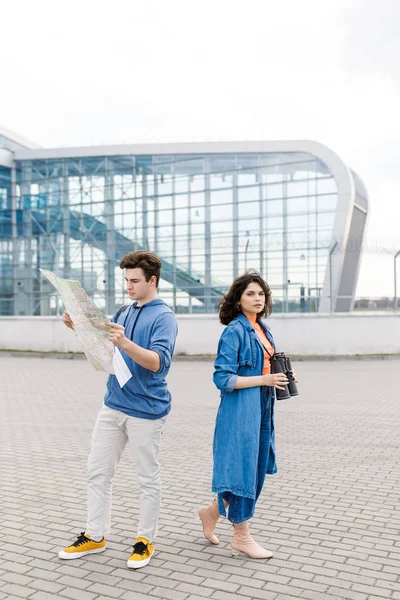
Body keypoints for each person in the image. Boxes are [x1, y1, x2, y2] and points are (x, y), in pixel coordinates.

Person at [58, 250, 178, 569]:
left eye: (135, 280)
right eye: (125, 280)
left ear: (153, 280)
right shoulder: (124, 311)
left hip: (146, 410)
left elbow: (158, 363)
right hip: (113, 405)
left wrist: (125, 344)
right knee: (97, 471)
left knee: (146, 478)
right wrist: (76, 326)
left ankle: (144, 540)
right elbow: (105, 347)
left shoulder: (164, 317)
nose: (128, 286)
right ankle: (96, 535)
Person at [197, 270, 291, 559]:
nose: (257, 298)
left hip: (264, 404)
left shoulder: (262, 328)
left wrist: (279, 374)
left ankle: (211, 512)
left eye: (261, 293)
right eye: (250, 293)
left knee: (257, 466)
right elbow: (222, 379)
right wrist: (263, 380)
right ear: (238, 299)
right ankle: (242, 535)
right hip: (240, 409)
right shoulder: (234, 331)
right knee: (242, 470)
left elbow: (263, 367)